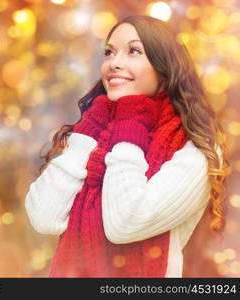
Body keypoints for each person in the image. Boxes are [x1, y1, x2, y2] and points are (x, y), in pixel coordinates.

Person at [25, 14, 230, 277]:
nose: (115, 63)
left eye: (133, 51)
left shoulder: (195, 150)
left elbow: (125, 224)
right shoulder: (94, 131)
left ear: (164, 69)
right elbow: (44, 217)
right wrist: (87, 132)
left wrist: (129, 124)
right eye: (109, 52)